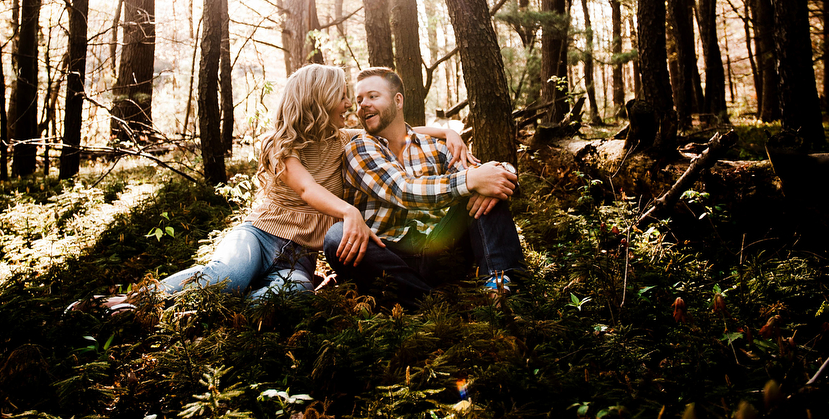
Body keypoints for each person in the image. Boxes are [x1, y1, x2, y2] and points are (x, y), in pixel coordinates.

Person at [82, 64, 462, 311]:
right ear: (319, 99)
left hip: (301, 256)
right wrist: (348, 212)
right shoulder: (278, 143)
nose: (352, 103)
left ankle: (219, 316)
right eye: (343, 95)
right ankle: (130, 302)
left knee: (292, 297)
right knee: (228, 276)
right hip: (260, 236)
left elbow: (403, 130)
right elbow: (308, 189)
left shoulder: (343, 138)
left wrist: (448, 130)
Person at [323, 67, 525, 307]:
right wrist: (473, 181)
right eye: (358, 100)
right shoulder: (359, 149)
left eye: (373, 96)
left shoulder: (436, 148)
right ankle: (432, 301)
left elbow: (485, 175)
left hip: (438, 250)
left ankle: (501, 287)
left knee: (485, 191)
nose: (362, 105)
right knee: (336, 237)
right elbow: (402, 190)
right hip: (386, 256)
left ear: (398, 100)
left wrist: (504, 172)